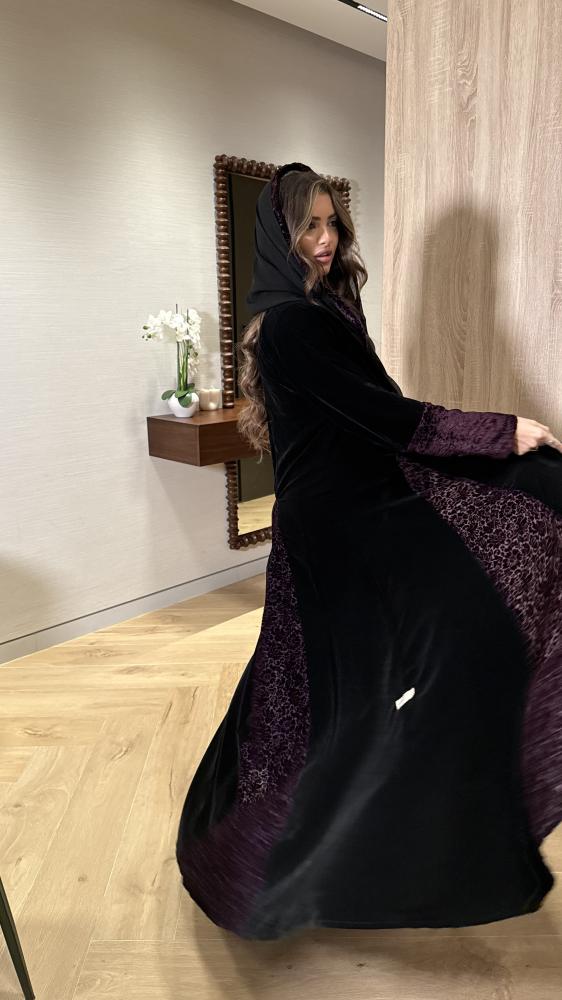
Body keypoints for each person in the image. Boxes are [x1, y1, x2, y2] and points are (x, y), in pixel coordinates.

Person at [176, 161, 562, 941]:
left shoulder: (325, 308)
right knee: (328, 701)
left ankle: (361, 840)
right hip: (339, 530)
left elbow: (375, 416)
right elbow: (389, 417)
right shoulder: (294, 324)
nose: (324, 241)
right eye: (308, 227)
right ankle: (265, 865)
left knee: (327, 693)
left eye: (331, 225)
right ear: (279, 237)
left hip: (356, 510)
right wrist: (500, 432)